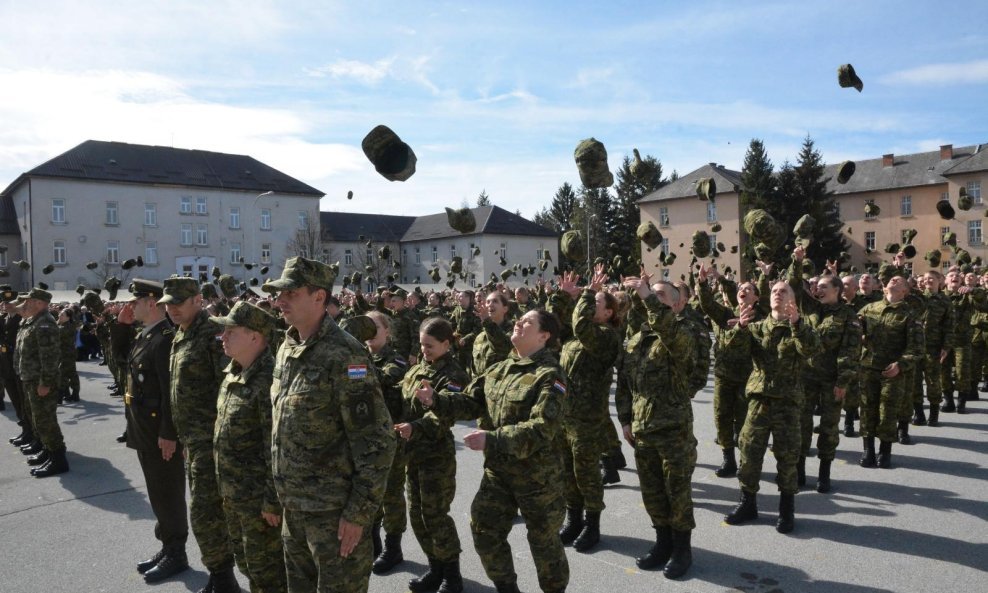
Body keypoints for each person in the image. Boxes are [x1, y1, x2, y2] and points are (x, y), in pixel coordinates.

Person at [264, 257, 395, 593]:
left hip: (333, 516)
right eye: (279, 293)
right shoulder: (287, 347)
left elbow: (377, 442)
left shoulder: (345, 355)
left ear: (319, 297)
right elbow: (280, 430)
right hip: (294, 511)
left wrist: (358, 514)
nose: (280, 300)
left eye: (290, 293)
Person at [417, 310, 569, 593]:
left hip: (538, 478)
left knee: (544, 543)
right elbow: (471, 402)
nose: (518, 323)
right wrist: (436, 400)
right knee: (484, 530)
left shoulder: (550, 375)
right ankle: (507, 588)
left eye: (527, 322)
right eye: (518, 319)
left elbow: (542, 428)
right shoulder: (500, 368)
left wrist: (493, 439)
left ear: (543, 336)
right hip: (499, 473)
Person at [615, 275, 698, 578]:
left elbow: (668, 331)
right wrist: (625, 419)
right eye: (653, 294)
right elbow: (625, 383)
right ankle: (662, 544)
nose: (653, 298)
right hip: (643, 430)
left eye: (661, 296)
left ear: (677, 304)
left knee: (677, 493)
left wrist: (647, 296)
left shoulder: (683, 332)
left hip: (674, 430)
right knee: (652, 493)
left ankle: (682, 550)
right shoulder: (637, 338)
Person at [160, 277, 238, 593]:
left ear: (196, 300)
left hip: (212, 440)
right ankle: (221, 576)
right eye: (168, 304)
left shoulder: (214, 332)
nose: (172, 309)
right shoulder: (181, 333)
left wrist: (220, 439)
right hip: (194, 439)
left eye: (178, 303)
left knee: (206, 513)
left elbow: (230, 386)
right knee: (206, 511)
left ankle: (223, 576)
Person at [725, 281, 820, 534]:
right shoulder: (756, 327)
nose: (778, 293)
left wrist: (797, 324)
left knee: (787, 457)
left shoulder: (802, 327)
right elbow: (731, 354)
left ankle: (786, 510)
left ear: (794, 299)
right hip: (759, 401)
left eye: (784, 290)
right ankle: (748, 504)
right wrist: (740, 328)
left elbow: (811, 349)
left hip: (787, 402)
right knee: (749, 453)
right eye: (775, 290)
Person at [212, 301, 287, 593]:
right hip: (234, 494)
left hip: (258, 501)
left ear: (255, 337)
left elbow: (275, 446)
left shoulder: (268, 380)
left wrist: (272, 501)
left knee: (267, 572)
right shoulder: (233, 371)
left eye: (231, 332)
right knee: (246, 563)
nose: (223, 337)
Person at [119, 280, 189, 584]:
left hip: (158, 430)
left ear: (151, 303)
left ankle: (177, 552)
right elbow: (121, 360)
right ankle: (167, 544)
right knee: (156, 491)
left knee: (167, 492)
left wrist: (169, 432)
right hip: (143, 427)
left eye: (135, 302)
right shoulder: (145, 336)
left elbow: (169, 391)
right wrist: (119, 327)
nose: (130, 307)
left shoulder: (164, 340)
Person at [394, 317, 469, 593]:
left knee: (436, 516)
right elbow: (403, 398)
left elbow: (444, 417)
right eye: (422, 344)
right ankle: (434, 568)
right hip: (411, 453)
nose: (424, 349)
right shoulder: (418, 368)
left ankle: (452, 575)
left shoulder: (453, 375)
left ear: (446, 344)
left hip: (436, 456)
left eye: (430, 345)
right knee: (417, 515)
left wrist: (415, 427)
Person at [555, 267, 622, 553]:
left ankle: (592, 525)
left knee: (586, 473)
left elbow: (581, 325)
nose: (589, 302)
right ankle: (574, 520)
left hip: (588, 417)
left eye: (596, 303)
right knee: (568, 472)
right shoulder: (578, 333)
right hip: (566, 414)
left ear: (609, 313)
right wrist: (563, 297)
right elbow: (553, 324)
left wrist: (589, 293)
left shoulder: (606, 337)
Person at [789, 249, 861, 493]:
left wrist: (843, 381)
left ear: (837, 291)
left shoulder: (847, 316)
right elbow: (794, 284)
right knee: (801, 422)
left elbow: (850, 352)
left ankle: (824, 473)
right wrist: (797, 261)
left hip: (832, 378)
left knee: (829, 426)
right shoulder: (809, 307)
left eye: (822, 286)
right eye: (816, 286)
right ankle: (799, 471)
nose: (817, 289)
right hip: (805, 377)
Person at [695, 263, 760, 479]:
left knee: (743, 421)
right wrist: (703, 283)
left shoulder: (761, 319)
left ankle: (744, 461)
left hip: (748, 377)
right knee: (722, 418)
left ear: (757, 298)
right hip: (723, 375)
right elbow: (706, 304)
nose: (743, 291)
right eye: (741, 288)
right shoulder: (725, 314)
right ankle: (728, 459)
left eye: (749, 289)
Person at [857, 269, 923, 469]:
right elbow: (854, 333)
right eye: (891, 279)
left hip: (892, 371)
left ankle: (885, 451)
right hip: (868, 367)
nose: (894, 280)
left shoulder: (910, 315)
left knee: (888, 411)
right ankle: (868, 449)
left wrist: (901, 365)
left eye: (899, 280)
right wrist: (857, 333)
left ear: (904, 291)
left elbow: (917, 348)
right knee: (867, 409)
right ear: (884, 287)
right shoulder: (869, 309)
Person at [363, 311, 410, 575]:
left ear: (387, 332)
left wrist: (356, 368)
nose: (370, 331)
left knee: (391, 494)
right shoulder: (360, 355)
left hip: (390, 436)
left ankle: (394, 546)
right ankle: (372, 538)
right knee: (368, 490)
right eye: (366, 326)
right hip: (364, 437)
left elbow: (381, 380)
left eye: (375, 326)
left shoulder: (396, 358)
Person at [15, 288, 69, 477]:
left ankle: (58, 459)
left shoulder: (45, 323)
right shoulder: (34, 321)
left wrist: (45, 382)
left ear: (39, 303)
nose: (25, 304)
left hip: (41, 381)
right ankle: (48, 452)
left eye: (29, 301)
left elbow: (50, 357)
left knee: (46, 421)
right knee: (38, 420)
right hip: (31, 378)